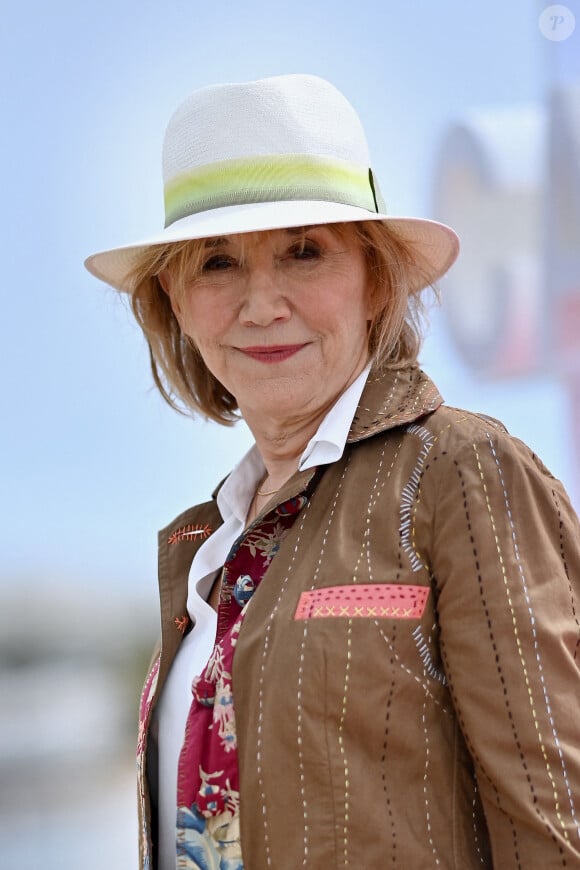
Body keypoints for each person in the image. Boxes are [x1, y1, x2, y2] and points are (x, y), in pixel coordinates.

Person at [85, 74, 580, 869]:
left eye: (304, 252)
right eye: (217, 263)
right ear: (175, 300)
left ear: (375, 279)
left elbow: (556, 825)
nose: (261, 302)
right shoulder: (204, 547)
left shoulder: (461, 473)